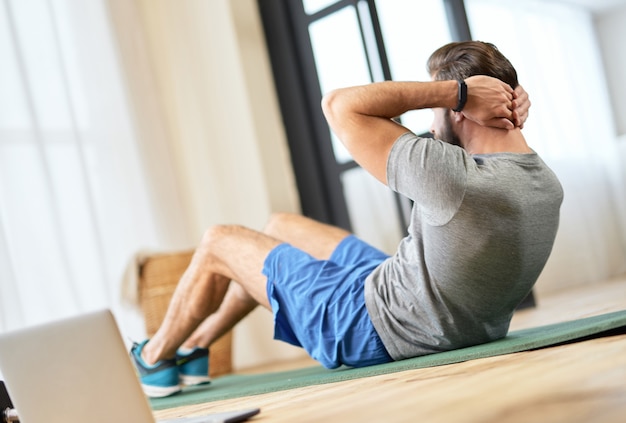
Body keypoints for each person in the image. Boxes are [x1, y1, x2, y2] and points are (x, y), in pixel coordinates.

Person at [130, 41, 563, 398]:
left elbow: (339, 104)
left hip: (370, 327)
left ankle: (154, 361)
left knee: (219, 242)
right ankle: (194, 347)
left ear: (461, 108)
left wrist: (454, 93)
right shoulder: (544, 181)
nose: (431, 128)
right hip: (429, 305)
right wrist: (501, 97)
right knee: (280, 227)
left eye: (439, 109)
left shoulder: (453, 176)